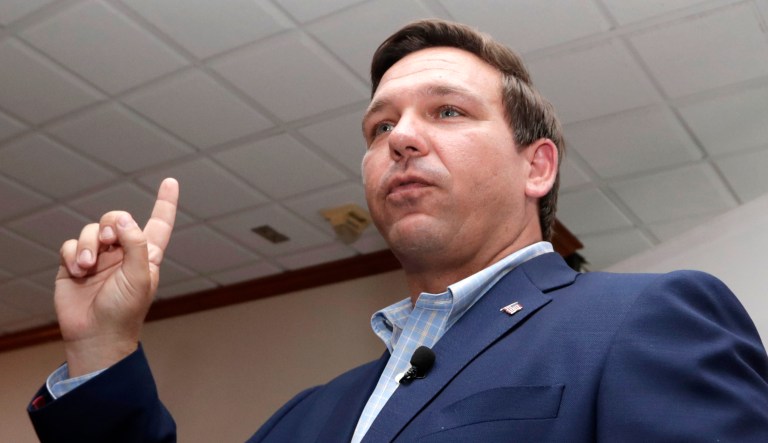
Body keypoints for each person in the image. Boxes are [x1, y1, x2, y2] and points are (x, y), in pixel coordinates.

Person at [27, 19, 768, 442]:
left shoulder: (647, 320)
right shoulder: (307, 414)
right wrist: (102, 349)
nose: (400, 138)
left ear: (536, 166)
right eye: (380, 125)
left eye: (447, 111)